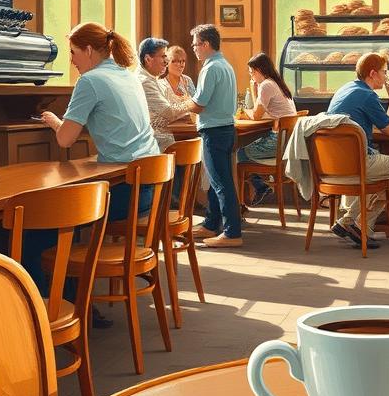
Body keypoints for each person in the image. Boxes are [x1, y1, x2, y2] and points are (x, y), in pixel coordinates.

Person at [31, 23, 161, 327]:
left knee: (43, 226)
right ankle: (80, 304)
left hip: (126, 193)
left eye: (74, 53)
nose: (72, 61)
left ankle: (46, 315)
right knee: (67, 217)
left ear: (89, 50)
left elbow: (65, 140)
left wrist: (53, 121)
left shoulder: (89, 81)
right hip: (148, 190)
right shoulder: (127, 76)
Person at [325, 52, 389, 250]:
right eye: (384, 72)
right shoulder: (368, 95)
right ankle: (359, 225)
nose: (386, 77)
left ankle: (348, 221)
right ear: (373, 73)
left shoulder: (346, 88)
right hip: (355, 165)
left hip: (331, 165)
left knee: (378, 169)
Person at [187, 23, 242, 248]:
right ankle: (211, 224)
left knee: (221, 183)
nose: (194, 49)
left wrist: (179, 104)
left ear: (206, 44)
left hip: (214, 130)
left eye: (195, 45)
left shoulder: (210, 68)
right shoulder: (225, 65)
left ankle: (232, 233)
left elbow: (199, 104)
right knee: (217, 180)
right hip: (226, 129)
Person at [236, 52, 297, 205]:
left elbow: (256, 115)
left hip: (278, 144)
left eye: (251, 73)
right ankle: (263, 182)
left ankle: (260, 188)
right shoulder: (277, 83)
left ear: (259, 70)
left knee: (240, 153)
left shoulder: (266, 85)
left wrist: (253, 89)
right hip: (288, 143)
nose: (251, 77)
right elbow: (267, 113)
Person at [138, 36, 191, 152]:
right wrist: (192, 103)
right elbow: (169, 112)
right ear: (148, 59)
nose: (166, 62)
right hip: (154, 148)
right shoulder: (145, 82)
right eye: (163, 56)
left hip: (163, 143)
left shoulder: (153, 79)